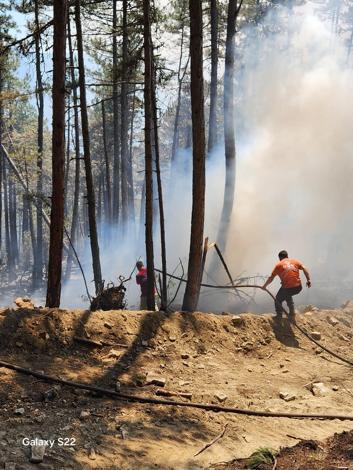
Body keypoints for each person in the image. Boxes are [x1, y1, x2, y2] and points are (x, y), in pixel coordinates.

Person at [261, 250, 311, 320]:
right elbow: (304, 268)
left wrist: (264, 286)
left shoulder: (278, 265)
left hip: (288, 288)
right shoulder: (295, 261)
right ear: (287, 256)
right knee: (286, 293)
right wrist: (308, 280)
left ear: (280, 258)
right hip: (298, 287)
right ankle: (292, 313)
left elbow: (271, 278)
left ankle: (279, 316)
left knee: (278, 299)